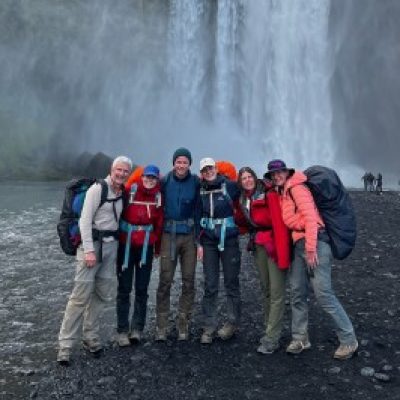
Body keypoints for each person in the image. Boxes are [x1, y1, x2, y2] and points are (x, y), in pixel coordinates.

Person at [265, 159, 358, 360]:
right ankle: (300, 338)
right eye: (273, 174)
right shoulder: (283, 191)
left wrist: (310, 249)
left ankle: (349, 339)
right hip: (299, 244)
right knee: (297, 291)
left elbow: (311, 218)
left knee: (323, 293)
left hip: (314, 243)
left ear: (287, 172)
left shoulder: (297, 188)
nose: (276, 176)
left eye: (280, 172)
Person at [57, 156, 132, 365]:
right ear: (112, 169)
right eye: (119, 170)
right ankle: (65, 346)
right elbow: (84, 221)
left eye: (126, 171)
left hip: (111, 248)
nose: (122, 174)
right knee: (80, 297)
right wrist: (89, 250)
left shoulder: (123, 193)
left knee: (101, 294)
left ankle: (90, 338)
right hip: (92, 248)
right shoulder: (97, 190)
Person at [236, 167, 291, 354]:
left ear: (255, 177)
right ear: (240, 182)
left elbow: (279, 224)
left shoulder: (269, 195)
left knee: (277, 292)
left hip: (274, 244)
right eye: (243, 178)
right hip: (259, 245)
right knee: (266, 289)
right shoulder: (243, 199)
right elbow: (244, 223)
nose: (248, 180)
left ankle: (272, 338)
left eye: (250, 176)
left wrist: (283, 255)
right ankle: (270, 329)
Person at [155, 148, 200, 341]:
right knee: (165, 280)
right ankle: (162, 326)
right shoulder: (164, 181)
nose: (181, 165)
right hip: (168, 235)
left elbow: (199, 210)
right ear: (173, 163)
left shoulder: (196, 182)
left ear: (189, 164)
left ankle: (183, 321)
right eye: (178, 162)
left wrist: (199, 240)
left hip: (189, 236)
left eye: (185, 162)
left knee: (189, 280)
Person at [116, 165, 164, 346]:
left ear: (157, 180)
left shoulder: (158, 197)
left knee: (142, 288)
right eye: (147, 177)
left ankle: (137, 329)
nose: (149, 181)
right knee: (124, 288)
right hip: (126, 246)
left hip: (146, 248)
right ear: (141, 177)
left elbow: (159, 224)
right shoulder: (129, 191)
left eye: (153, 178)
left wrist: (157, 248)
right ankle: (122, 330)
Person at [197, 157, 241, 344]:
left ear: (217, 169)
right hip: (208, 241)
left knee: (231, 283)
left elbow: (248, 195)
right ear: (201, 173)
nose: (209, 172)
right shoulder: (199, 190)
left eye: (211, 168)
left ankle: (232, 323)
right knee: (210, 284)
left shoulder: (230, 186)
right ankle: (209, 326)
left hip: (229, 240)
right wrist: (197, 243)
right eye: (205, 170)